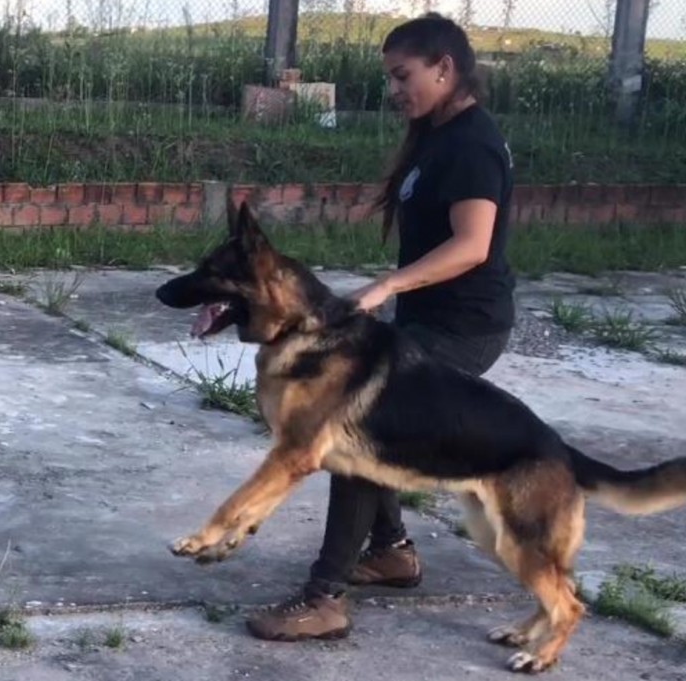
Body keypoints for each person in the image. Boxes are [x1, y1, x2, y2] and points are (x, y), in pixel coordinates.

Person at [246, 12, 517, 640]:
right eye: (391, 78)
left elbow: (473, 246)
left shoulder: (472, 142)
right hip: (429, 319)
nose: (395, 90)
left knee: (353, 429)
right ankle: (392, 549)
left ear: (444, 68)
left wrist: (389, 285)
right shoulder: (437, 134)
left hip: (465, 327)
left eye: (404, 76)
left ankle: (325, 598)